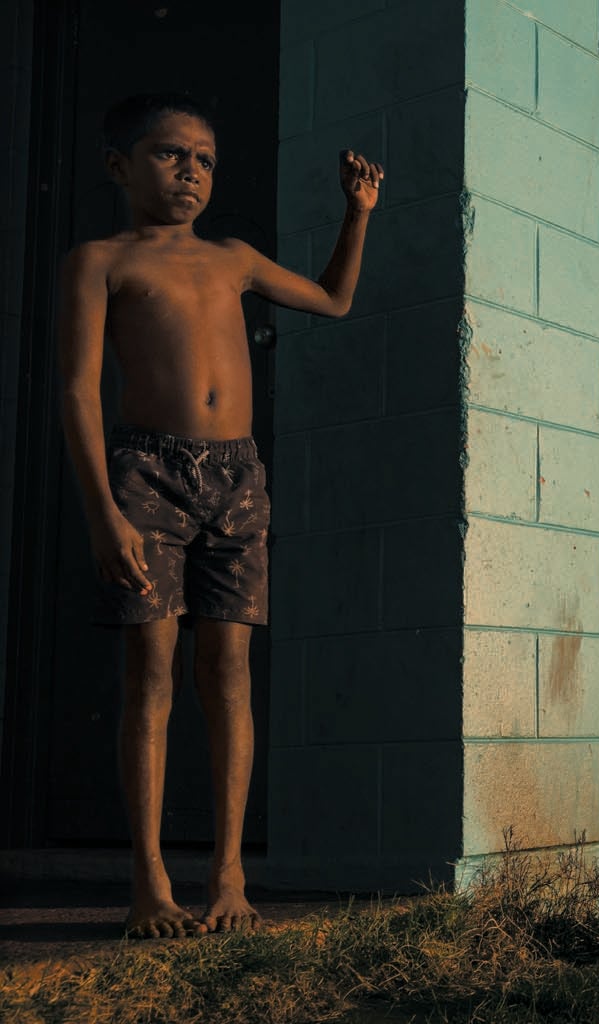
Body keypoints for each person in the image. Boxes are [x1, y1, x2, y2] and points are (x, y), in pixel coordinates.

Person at [56, 93, 382, 938]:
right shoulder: (99, 260)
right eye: (169, 155)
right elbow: (78, 394)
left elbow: (334, 300)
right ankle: (150, 883)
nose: (190, 171)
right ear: (120, 166)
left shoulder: (233, 257)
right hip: (144, 475)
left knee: (228, 673)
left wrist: (358, 215)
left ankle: (231, 876)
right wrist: (104, 516)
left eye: (202, 158)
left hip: (237, 477)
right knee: (152, 675)